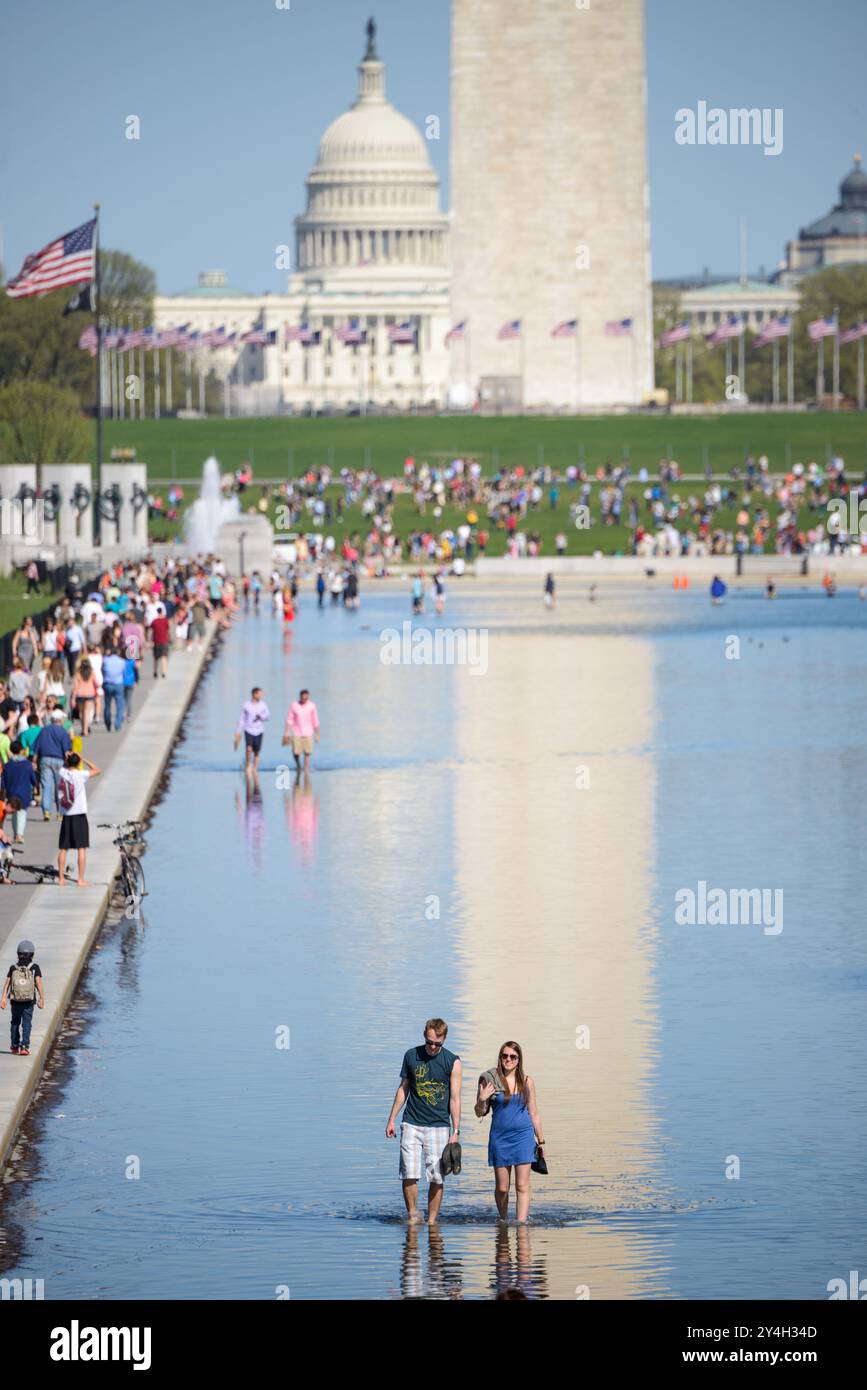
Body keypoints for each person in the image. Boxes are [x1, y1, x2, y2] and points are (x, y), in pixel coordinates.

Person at [386, 1019, 462, 1225]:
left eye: (437, 1044)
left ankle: (431, 1221)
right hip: (411, 1122)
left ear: (444, 1039)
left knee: (437, 1176)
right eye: (429, 1042)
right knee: (408, 1173)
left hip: (439, 1125)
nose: (432, 1047)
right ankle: (412, 1216)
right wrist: (392, 1118)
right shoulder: (412, 1056)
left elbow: (455, 1099)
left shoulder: (452, 1061)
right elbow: (403, 1088)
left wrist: (455, 1131)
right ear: (424, 1036)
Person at [475, 1040, 545, 1224]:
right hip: (500, 1139)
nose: (508, 1059)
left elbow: (534, 1112)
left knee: (522, 1186)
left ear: (519, 1060)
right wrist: (482, 1099)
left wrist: (541, 1140)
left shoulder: (527, 1081)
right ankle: (504, 1219)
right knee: (502, 1188)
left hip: (524, 1138)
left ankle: (521, 1224)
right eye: (505, 1056)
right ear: (500, 1057)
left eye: (513, 1056)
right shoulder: (489, 1080)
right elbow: (479, 1112)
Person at [57, 751, 100, 887]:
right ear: (78, 763)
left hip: (67, 815)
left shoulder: (62, 773)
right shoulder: (81, 775)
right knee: (81, 848)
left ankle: (61, 879)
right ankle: (80, 879)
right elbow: (97, 770)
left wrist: (67, 758)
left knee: (63, 848)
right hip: (79, 815)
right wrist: (84, 758)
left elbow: (64, 766)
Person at [0, 940, 44, 1056]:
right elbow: (38, 983)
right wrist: (41, 998)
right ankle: (24, 1046)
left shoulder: (13, 968)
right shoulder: (34, 967)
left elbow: (7, 984)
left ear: (18, 954)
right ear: (32, 954)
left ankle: (14, 1046)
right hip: (29, 1000)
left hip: (15, 1000)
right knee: (27, 1023)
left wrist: (3, 998)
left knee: (15, 1022)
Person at [34, 708, 72, 821]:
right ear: (60, 720)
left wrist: (34, 761)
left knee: (46, 786)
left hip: (45, 760)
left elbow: (37, 748)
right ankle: (60, 813)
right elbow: (66, 751)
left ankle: (47, 811)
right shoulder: (63, 732)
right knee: (59, 787)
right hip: (59, 761)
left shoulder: (44, 730)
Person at [1, 740, 38, 841]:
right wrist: (36, 786)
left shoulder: (8, 765)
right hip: (24, 792)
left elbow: (3, 781)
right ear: (21, 750)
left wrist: (3, 792)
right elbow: (33, 779)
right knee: (22, 812)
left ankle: (15, 833)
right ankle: (19, 835)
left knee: (14, 813)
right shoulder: (27, 764)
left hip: (11, 792)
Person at [282, 688, 320, 773]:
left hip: (308, 732)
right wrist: (286, 733)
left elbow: (315, 720)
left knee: (307, 752)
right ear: (300, 697)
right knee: (296, 752)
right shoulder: (294, 705)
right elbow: (289, 719)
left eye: (306, 699)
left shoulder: (312, 706)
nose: (304, 700)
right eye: (303, 698)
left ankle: (306, 768)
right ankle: (298, 764)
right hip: (297, 732)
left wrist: (317, 734)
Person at [234, 686, 271, 775]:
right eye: (260, 694)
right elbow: (242, 719)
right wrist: (238, 731)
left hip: (259, 730)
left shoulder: (263, 705)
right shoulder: (246, 705)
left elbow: (268, 716)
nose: (261, 696)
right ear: (254, 694)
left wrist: (261, 717)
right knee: (249, 748)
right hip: (248, 730)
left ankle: (255, 768)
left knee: (257, 751)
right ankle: (248, 765)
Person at [101, 647, 127, 732]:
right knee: (120, 705)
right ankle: (117, 724)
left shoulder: (105, 660)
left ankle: (108, 723)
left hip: (107, 684)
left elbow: (103, 671)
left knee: (107, 705)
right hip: (118, 684)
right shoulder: (122, 661)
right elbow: (124, 673)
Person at [70, 657, 98, 737]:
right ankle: (86, 729)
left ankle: (83, 729)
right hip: (89, 694)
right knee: (87, 713)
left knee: (81, 713)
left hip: (80, 695)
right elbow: (97, 683)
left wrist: (73, 699)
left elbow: (75, 687)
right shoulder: (91, 673)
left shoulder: (78, 674)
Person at [150, 605, 171, 678]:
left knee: (156, 657)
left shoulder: (154, 621)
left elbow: (151, 629)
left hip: (156, 641)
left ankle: (155, 671)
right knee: (164, 657)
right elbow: (168, 629)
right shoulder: (165, 620)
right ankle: (164, 672)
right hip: (164, 641)